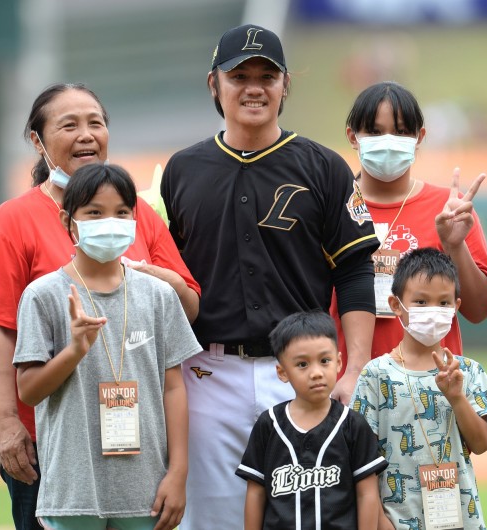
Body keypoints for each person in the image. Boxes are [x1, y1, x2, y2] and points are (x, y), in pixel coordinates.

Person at [161, 23, 379, 529]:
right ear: (214, 85)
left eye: (267, 75)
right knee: (212, 517)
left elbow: (353, 270)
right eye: (239, 75)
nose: (254, 87)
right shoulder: (182, 170)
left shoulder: (324, 166)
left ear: (286, 86)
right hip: (207, 373)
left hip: (301, 372)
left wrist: (354, 368)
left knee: (309, 518)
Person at [0, 83, 201, 530]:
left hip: (137, 449)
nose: (86, 134)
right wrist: (7, 423)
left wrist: (136, 272)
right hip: (52, 443)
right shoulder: (13, 220)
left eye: (96, 122)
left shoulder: (139, 215)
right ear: (38, 141)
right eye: (68, 124)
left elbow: (186, 306)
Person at [13, 163, 202, 529]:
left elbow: (174, 387)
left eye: (121, 212)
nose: (109, 221)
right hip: (74, 492)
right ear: (70, 222)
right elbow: (29, 391)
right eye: (95, 213)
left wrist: (178, 473)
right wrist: (74, 351)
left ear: (135, 219)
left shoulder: (159, 295)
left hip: (145, 491)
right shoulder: (42, 296)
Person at [333, 81, 487, 373]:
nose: (387, 140)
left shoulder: (449, 208)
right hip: (346, 384)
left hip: (433, 389)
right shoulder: (332, 207)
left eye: (400, 131)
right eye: (374, 131)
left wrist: (454, 245)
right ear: (353, 136)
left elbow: (477, 310)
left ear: (419, 136)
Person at [351, 247, 487, 530]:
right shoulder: (375, 375)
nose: (433, 311)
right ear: (396, 305)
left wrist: (457, 397)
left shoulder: (468, 372)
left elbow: (481, 444)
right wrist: (380, 522)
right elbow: (361, 459)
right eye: (420, 302)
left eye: (444, 303)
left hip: (460, 519)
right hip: (394, 520)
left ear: (456, 306)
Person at [235, 311, 388, 530]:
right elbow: (256, 492)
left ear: (338, 362)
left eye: (324, 361)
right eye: (302, 365)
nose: (316, 373)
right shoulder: (269, 424)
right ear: (282, 372)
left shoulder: (353, 424)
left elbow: (367, 493)